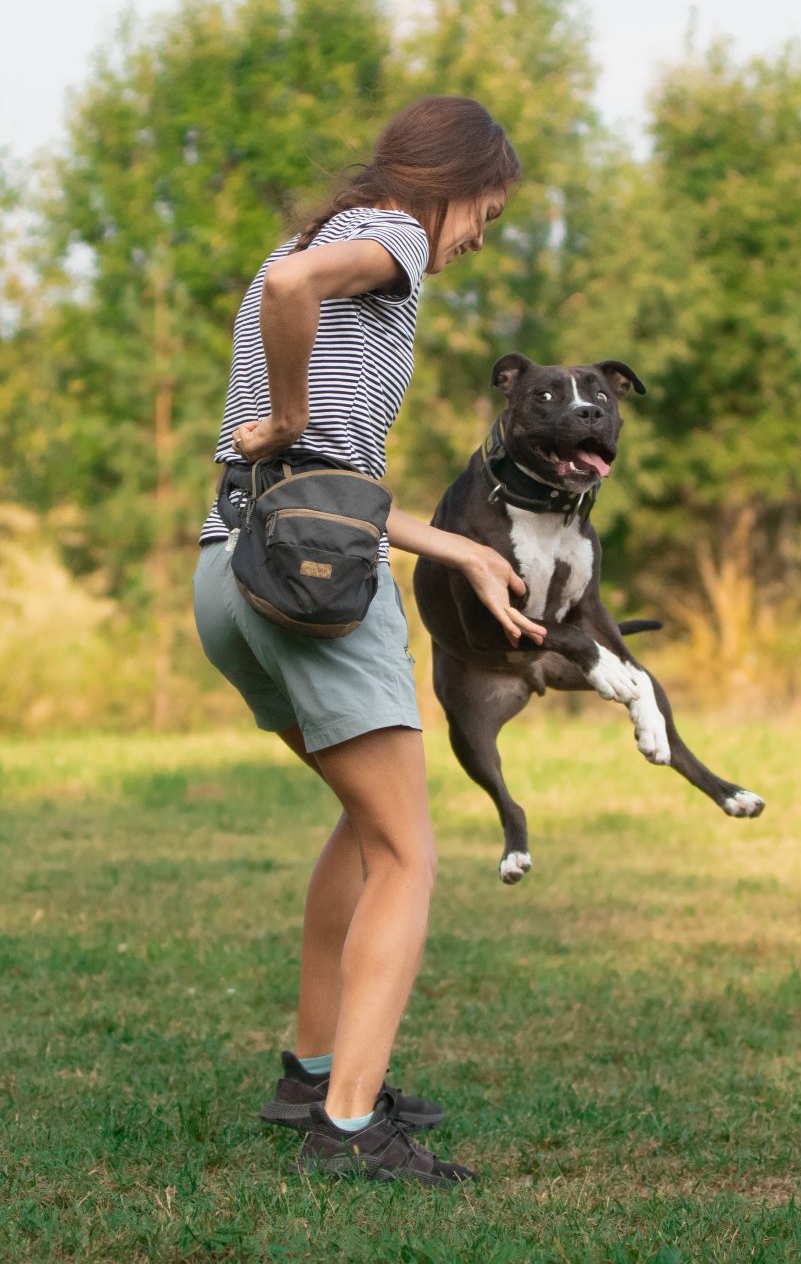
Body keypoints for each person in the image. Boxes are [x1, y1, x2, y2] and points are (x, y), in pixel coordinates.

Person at [192, 96, 546, 1186]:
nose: (482, 233)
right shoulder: (390, 239)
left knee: (366, 823)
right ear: (451, 182)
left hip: (234, 570)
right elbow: (303, 401)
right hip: (313, 584)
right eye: (486, 207)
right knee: (407, 853)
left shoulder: (309, 243)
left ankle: (311, 1070)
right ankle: (346, 1129)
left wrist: (461, 550)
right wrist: (293, 411)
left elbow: (327, 479)